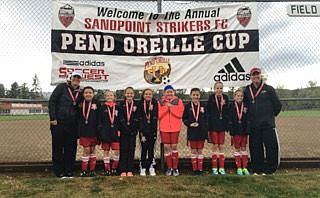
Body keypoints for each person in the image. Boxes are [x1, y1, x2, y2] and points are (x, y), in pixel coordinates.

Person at [244, 67, 282, 175]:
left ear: (260, 75)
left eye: (257, 74)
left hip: (267, 125)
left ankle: (270, 170)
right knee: (255, 148)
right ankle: (257, 169)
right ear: (250, 77)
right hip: (254, 126)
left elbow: (278, 105)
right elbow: (245, 106)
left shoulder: (269, 89)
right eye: (253, 74)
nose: (255, 76)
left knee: (271, 147)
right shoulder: (247, 90)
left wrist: (269, 117)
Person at [48, 70, 83, 178]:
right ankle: (59, 172)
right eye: (74, 79)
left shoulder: (80, 92)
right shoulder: (61, 87)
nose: (76, 81)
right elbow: (52, 102)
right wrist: (53, 118)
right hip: (58, 123)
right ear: (70, 79)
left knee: (71, 148)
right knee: (58, 148)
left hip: (72, 125)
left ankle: (69, 171)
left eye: (78, 79)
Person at [158, 85, 184, 176]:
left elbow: (180, 114)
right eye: (167, 92)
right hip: (164, 127)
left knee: (174, 146)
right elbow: (159, 115)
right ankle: (169, 167)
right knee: (166, 147)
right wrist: (167, 108)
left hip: (175, 128)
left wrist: (171, 107)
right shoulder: (160, 102)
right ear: (164, 93)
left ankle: (175, 168)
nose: (169, 93)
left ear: (174, 92)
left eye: (171, 92)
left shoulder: (178, 101)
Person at [182, 88, 207, 176]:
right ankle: (194, 169)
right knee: (193, 150)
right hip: (192, 132)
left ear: (200, 96)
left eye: (197, 95)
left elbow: (206, 118)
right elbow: (184, 119)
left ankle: (199, 169)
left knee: (200, 150)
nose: (196, 96)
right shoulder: (187, 106)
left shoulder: (204, 105)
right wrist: (190, 124)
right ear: (190, 96)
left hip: (201, 132)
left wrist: (205, 128)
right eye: (194, 95)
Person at [206, 81, 229, 175]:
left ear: (222, 89)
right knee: (215, 145)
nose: (219, 90)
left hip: (222, 125)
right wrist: (209, 126)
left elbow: (227, 111)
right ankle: (215, 167)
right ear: (214, 89)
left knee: (221, 146)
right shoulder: (211, 98)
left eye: (220, 88)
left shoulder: (226, 98)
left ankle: (222, 167)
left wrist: (227, 124)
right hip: (213, 126)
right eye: (217, 88)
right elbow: (208, 111)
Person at [78, 86, 100, 177]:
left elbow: (99, 117)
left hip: (94, 131)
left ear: (93, 94)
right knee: (86, 150)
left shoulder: (97, 103)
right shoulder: (80, 103)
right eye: (86, 92)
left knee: (93, 150)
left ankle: (92, 170)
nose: (88, 94)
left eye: (90, 92)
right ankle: (84, 170)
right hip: (84, 131)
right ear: (83, 94)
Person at [228, 89, 250, 176]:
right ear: (234, 97)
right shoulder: (231, 106)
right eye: (238, 96)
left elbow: (248, 118)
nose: (240, 97)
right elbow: (229, 119)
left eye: (241, 96)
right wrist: (231, 129)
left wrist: (248, 128)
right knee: (237, 148)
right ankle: (239, 168)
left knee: (244, 148)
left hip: (244, 130)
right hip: (236, 130)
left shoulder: (246, 106)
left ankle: (245, 167)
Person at [98, 90, 120, 176]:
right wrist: (101, 132)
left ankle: (114, 168)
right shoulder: (102, 107)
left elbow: (120, 120)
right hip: (105, 133)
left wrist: (119, 131)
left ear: (114, 97)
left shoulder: (118, 107)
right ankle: (107, 169)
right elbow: (100, 121)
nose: (109, 97)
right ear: (105, 97)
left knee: (117, 151)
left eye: (111, 95)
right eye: (107, 96)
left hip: (115, 133)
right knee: (106, 151)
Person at [118, 87, 139, 177]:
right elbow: (121, 117)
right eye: (128, 93)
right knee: (123, 150)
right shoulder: (121, 104)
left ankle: (130, 170)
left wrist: (132, 128)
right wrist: (125, 127)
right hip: (123, 131)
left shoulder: (137, 104)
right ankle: (123, 170)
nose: (129, 95)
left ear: (133, 94)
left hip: (132, 131)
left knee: (131, 150)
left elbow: (137, 118)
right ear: (125, 94)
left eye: (131, 93)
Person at [137, 88, 158, 176]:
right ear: (143, 95)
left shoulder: (155, 103)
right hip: (143, 131)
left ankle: (151, 167)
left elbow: (155, 116)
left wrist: (154, 131)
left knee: (151, 149)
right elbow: (139, 118)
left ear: (152, 95)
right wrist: (141, 132)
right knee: (144, 149)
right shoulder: (140, 104)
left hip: (152, 131)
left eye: (150, 94)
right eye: (146, 94)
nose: (148, 95)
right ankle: (143, 167)